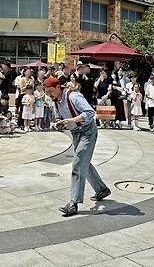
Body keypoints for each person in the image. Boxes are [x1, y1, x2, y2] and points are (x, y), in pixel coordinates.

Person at [44, 76, 110, 217]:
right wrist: (58, 123)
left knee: (78, 165)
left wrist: (73, 120)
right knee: (83, 162)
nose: (49, 95)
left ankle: (73, 203)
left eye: (50, 91)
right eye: (46, 92)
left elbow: (90, 112)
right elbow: (58, 117)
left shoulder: (74, 96)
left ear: (57, 87)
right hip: (75, 133)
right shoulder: (55, 101)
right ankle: (101, 189)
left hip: (87, 131)